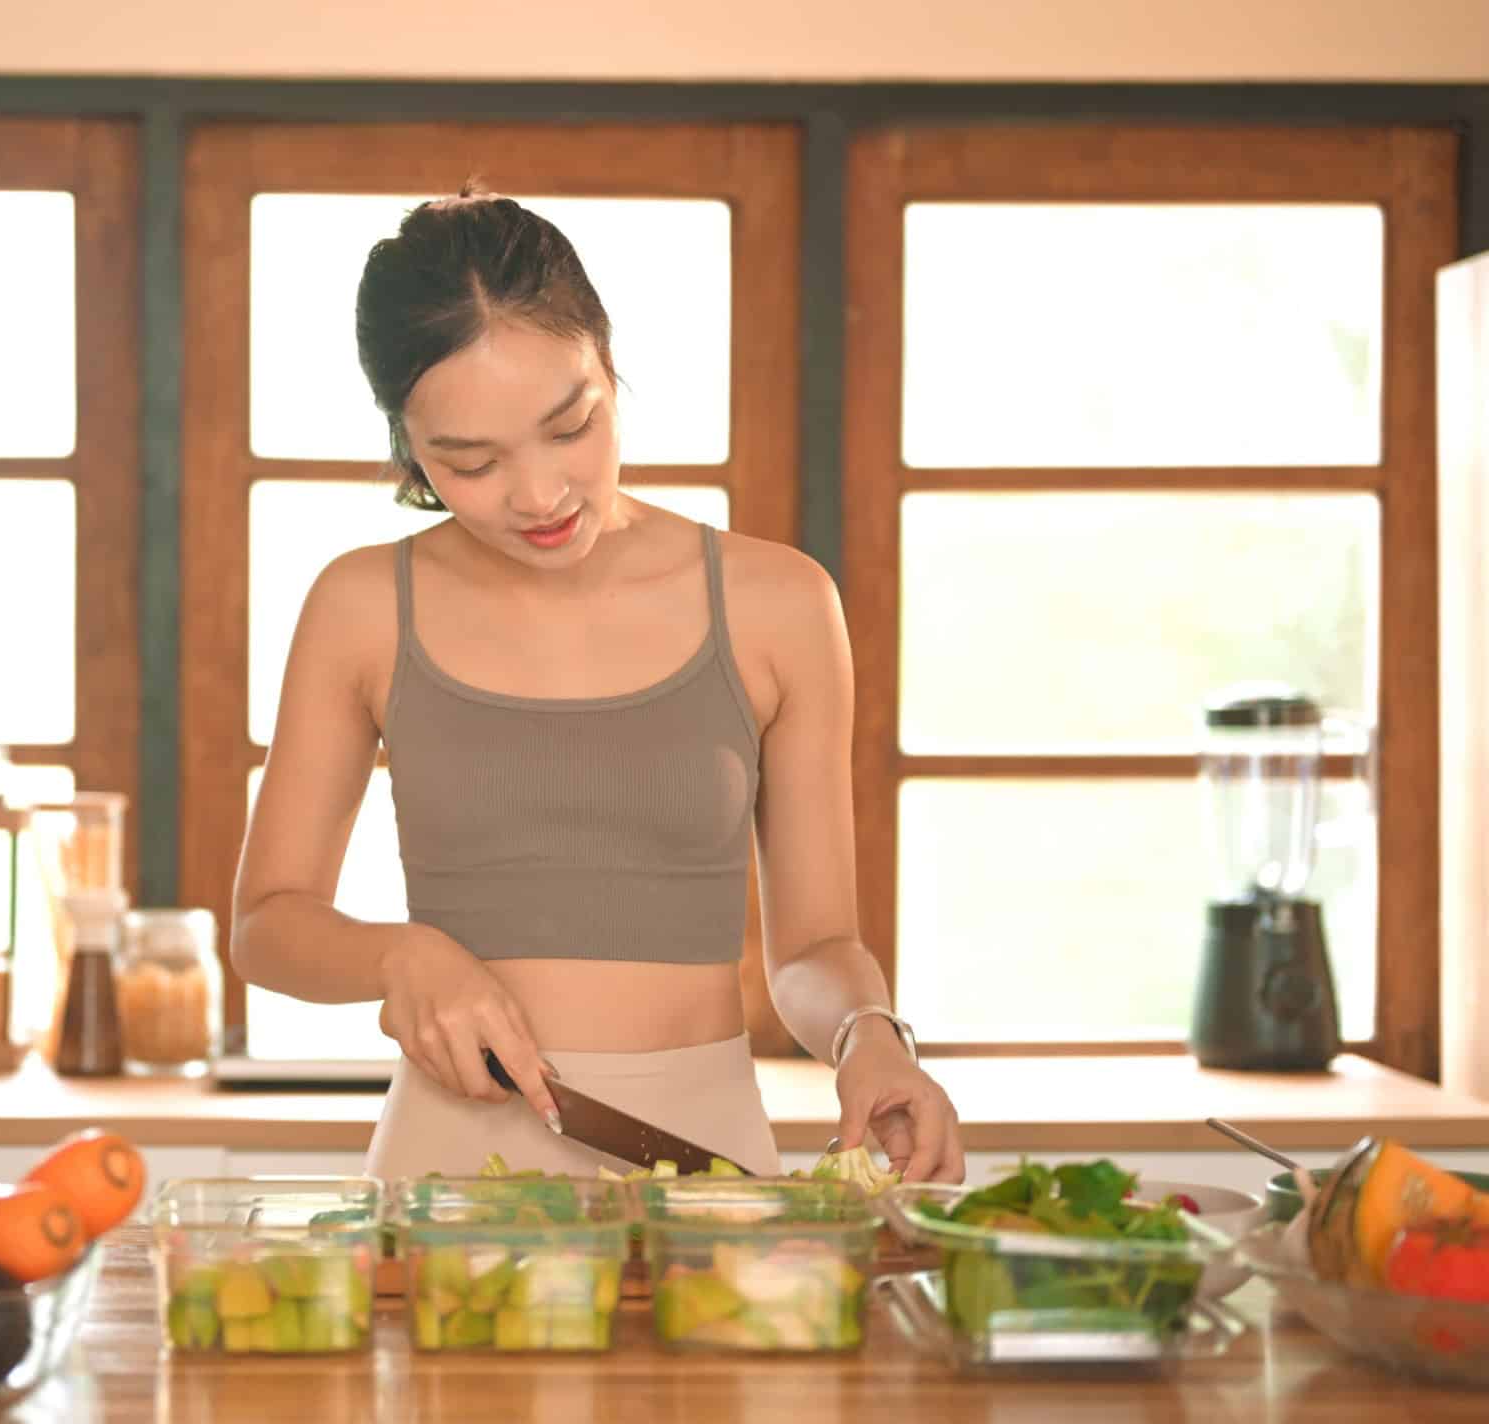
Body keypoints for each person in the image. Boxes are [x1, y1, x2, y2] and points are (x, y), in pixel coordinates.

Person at [228, 186, 964, 1184]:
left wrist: (869, 1037)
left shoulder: (779, 603)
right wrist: (401, 956)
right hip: (451, 1171)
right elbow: (268, 925)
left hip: (704, 1167)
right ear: (410, 450)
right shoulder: (361, 605)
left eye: (569, 426)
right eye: (470, 461)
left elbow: (813, 948)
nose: (537, 495)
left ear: (610, 368)